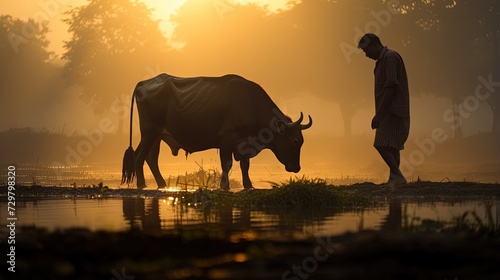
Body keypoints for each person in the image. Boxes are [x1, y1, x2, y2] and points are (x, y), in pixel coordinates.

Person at [358, 33, 410, 186]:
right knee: (392, 146)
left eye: (367, 51)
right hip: (391, 109)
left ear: (375, 45)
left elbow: (391, 86)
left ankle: (398, 176)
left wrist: (379, 114)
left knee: (380, 144)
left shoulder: (389, 58)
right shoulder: (385, 59)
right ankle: (394, 178)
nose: (366, 55)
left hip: (392, 110)